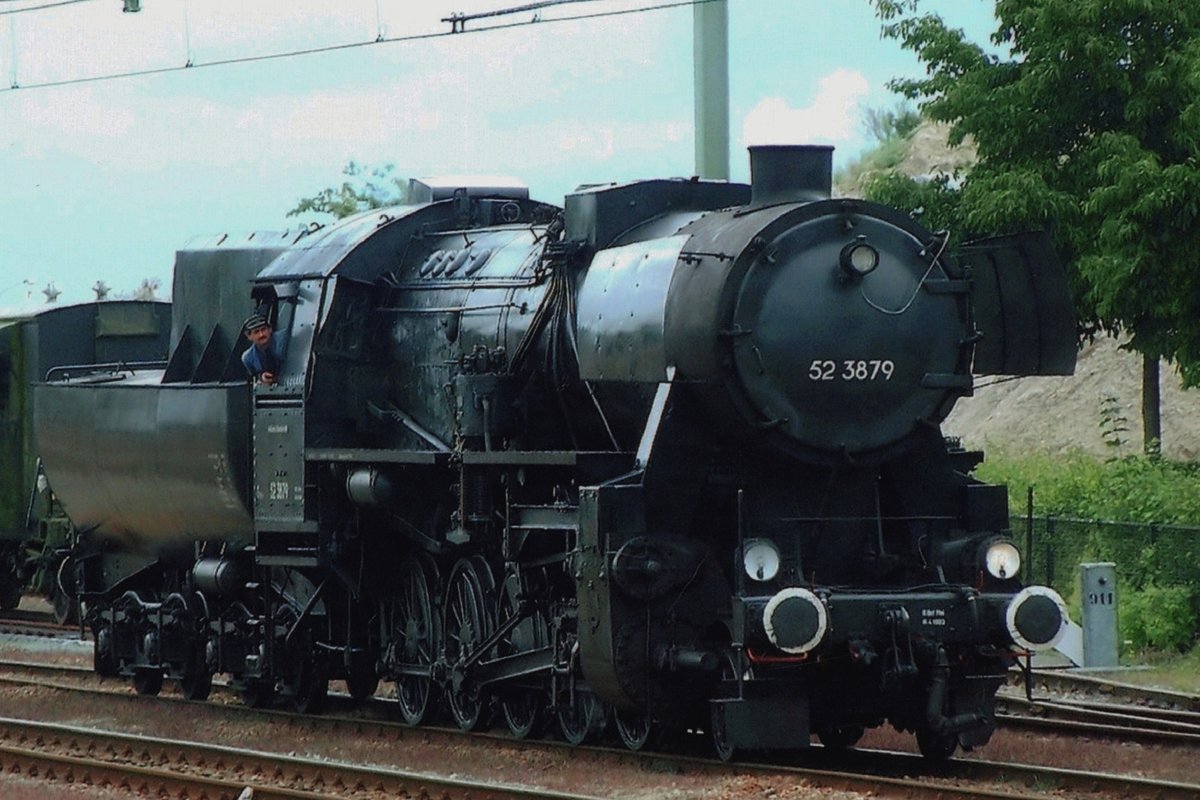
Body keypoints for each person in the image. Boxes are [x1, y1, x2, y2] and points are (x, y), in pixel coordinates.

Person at [241, 313, 285, 386]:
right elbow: (255, 376)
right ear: (249, 336)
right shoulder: (248, 357)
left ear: (270, 329)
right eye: (256, 332)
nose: (261, 334)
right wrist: (261, 377)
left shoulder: (284, 338)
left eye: (263, 329)